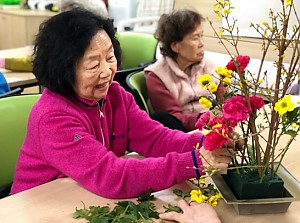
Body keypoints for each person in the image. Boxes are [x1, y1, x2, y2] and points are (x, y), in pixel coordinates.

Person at [11, 9, 232, 199]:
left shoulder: (115, 96)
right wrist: (194, 162)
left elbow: (156, 139)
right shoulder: (53, 117)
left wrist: (209, 142)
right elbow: (111, 175)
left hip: (84, 196)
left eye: (109, 58)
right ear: (64, 70)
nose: (107, 72)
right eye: (93, 65)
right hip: (40, 205)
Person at [145, 8, 220, 132]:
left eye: (202, 36)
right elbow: (174, 118)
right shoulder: (156, 76)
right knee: (161, 118)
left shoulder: (210, 66)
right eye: (195, 38)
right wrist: (205, 119)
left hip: (215, 127)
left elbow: (225, 102)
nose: (201, 43)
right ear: (175, 46)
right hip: (184, 132)